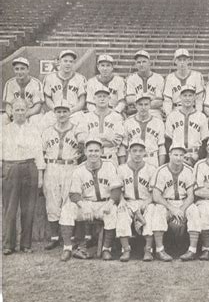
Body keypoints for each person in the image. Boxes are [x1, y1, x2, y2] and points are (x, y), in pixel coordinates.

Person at [58, 136, 122, 261]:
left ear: (102, 152)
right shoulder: (79, 170)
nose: (93, 154)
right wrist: (84, 206)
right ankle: (67, 248)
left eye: (96, 151)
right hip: (87, 204)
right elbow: (74, 194)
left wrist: (110, 203)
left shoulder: (110, 166)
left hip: (105, 203)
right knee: (67, 209)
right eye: (90, 151)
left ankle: (106, 249)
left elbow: (116, 189)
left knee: (113, 211)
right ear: (85, 152)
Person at [2, 98, 45, 255]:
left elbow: (39, 153)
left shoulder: (33, 130)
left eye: (22, 109)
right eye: (17, 109)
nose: (20, 112)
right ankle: (8, 244)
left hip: (29, 168)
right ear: (11, 111)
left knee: (28, 208)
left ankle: (26, 244)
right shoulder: (4, 130)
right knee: (10, 208)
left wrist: (40, 176)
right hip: (10, 168)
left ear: (27, 112)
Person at [41, 99, 82, 250]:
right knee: (52, 201)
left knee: (68, 201)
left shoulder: (77, 130)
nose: (62, 114)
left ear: (70, 113)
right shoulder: (47, 131)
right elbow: (42, 152)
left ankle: (69, 236)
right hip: (51, 166)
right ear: (54, 113)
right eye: (59, 111)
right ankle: (54, 237)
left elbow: (82, 150)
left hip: (70, 166)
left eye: (65, 111)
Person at [151, 143, 202, 261]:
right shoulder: (161, 170)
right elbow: (156, 196)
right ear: (169, 155)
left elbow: (191, 196)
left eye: (181, 155)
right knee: (158, 210)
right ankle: (160, 250)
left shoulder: (189, 170)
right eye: (175, 155)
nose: (178, 158)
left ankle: (192, 250)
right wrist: (172, 209)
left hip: (183, 202)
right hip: (166, 202)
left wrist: (182, 209)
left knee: (193, 210)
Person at [116, 138, 156, 262]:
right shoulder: (121, 169)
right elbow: (117, 189)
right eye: (134, 151)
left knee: (151, 212)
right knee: (122, 213)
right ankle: (126, 249)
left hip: (145, 201)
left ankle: (148, 249)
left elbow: (155, 192)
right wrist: (121, 200)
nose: (137, 154)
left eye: (140, 151)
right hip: (128, 200)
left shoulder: (151, 168)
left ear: (145, 152)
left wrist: (148, 201)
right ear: (129, 152)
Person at [77, 89, 125, 166]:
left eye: (104, 96)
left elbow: (117, 140)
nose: (102, 99)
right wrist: (106, 137)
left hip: (110, 158)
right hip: (91, 159)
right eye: (99, 96)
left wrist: (93, 140)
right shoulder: (86, 117)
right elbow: (81, 139)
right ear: (94, 99)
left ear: (109, 98)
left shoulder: (117, 117)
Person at [165, 85, 209, 167]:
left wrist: (197, 157)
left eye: (190, 95)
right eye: (185, 95)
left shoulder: (201, 116)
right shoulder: (172, 116)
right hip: (177, 155)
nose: (187, 98)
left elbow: (205, 141)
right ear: (180, 97)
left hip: (195, 155)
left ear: (194, 97)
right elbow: (168, 140)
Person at [42, 49, 87, 127]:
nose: (68, 64)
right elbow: (47, 98)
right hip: (55, 111)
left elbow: (82, 101)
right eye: (65, 61)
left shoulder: (80, 78)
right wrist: (55, 109)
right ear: (59, 62)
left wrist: (72, 111)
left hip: (74, 112)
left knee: (82, 124)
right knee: (44, 124)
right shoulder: (50, 77)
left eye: (71, 61)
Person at [122, 92, 166, 168]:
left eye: (146, 104)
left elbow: (161, 147)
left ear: (150, 105)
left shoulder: (158, 122)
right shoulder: (128, 122)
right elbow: (124, 146)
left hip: (151, 158)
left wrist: (160, 168)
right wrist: (123, 166)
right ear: (135, 105)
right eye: (140, 104)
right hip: (132, 158)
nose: (143, 107)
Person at [163, 48, 205, 117]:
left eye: (184, 60)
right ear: (175, 61)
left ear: (188, 61)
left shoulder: (197, 75)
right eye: (179, 60)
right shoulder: (170, 78)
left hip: (193, 109)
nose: (182, 62)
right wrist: (169, 115)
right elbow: (167, 100)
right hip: (176, 109)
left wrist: (198, 114)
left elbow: (199, 99)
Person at [3, 57, 44, 126]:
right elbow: (8, 105)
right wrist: (11, 115)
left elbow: (38, 106)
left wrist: (24, 115)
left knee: (36, 120)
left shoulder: (36, 83)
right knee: (3, 118)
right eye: (17, 69)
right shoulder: (9, 83)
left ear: (28, 69)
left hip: (31, 113)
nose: (19, 72)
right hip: (15, 113)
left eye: (22, 69)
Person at [126, 50, 165, 119]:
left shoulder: (158, 78)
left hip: (154, 111)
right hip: (136, 111)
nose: (141, 64)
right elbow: (130, 99)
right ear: (135, 64)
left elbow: (159, 101)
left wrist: (141, 104)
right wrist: (149, 101)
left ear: (149, 63)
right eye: (138, 62)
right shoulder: (131, 78)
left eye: (144, 62)